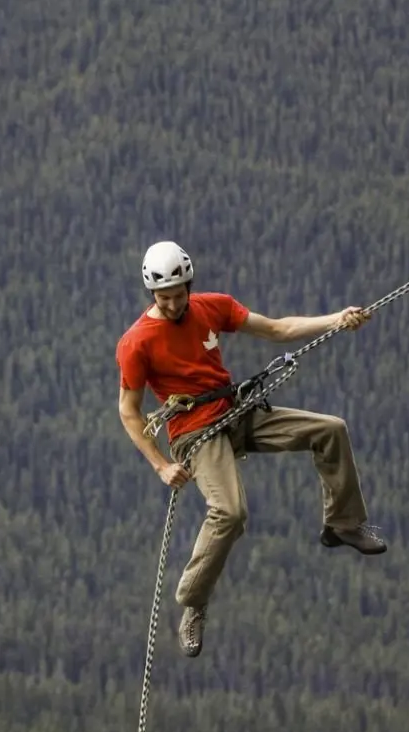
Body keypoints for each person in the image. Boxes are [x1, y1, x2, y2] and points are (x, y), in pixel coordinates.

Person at [116, 240, 386, 657]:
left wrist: (337, 319)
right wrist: (160, 466)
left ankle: (343, 524)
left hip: (235, 412)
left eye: (177, 294)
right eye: (163, 297)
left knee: (330, 429)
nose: (171, 305)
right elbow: (129, 412)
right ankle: (193, 601)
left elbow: (278, 329)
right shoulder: (137, 343)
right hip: (195, 434)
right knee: (231, 512)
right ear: (151, 293)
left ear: (190, 285)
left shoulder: (212, 307)